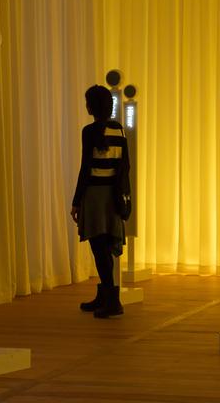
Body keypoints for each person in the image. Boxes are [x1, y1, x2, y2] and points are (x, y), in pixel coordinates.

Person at [71, 85, 129, 318]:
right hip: (113, 194)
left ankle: (112, 300)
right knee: (106, 248)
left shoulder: (89, 131)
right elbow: (125, 166)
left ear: (92, 106)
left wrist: (76, 201)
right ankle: (106, 296)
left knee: (99, 248)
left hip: (95, 195)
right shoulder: (119, 130)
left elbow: (85, 169)